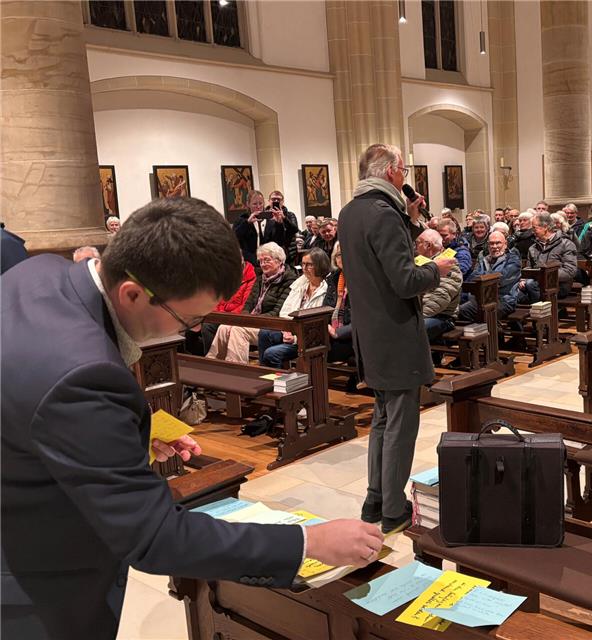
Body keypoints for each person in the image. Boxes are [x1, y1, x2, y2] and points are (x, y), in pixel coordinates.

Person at [0, 198, 383, 639]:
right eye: (189, 319)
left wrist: (116, 442)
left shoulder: (39, 273)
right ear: (132, 293)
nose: (183, 334)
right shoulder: (84, 375)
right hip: (34, 581)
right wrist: (308, 543)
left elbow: (31, 406)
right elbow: (155, 537)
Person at [337, 144, 457, 533]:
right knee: (401, 425)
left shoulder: (351, 211)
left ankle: (375, 501)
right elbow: (405, 280)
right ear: (390, 171)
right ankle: (393, 509)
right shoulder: (383, 214)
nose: (406, 177)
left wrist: (412, 217)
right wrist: (437, 268)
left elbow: (379, 264)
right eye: (404, 170)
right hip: (394, 334)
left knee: (382, 420)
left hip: (370, 333)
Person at [206, 242, 297, 363]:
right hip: (254, 321)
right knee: (224, 327)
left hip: (272, 326)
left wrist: (252, 321)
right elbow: (248, 304)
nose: (263, 264)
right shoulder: (261, 279)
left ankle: (236, 368)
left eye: (267, 260)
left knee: (238, 330)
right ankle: (213, 363)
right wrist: (245, 318)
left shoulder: (289, 280)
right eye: (261, 261)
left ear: (279, 260)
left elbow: (278, 312)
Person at [257, 248, 331, 368]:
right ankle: (264, 375)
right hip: (291, 330)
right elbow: (285, 311)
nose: (305, 268)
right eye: (303, 264)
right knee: (265, 332)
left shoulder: (326, 289)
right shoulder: (300, 284)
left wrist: (295, 338)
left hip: (308, 338)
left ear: (320, 265)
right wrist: (286, 330)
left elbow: (316, 325)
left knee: (271, 354)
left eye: (309, 265)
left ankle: (279, 382)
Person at [459, 230, 521, 321]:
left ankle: (494, 332)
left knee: (486, 313)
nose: (494, 247)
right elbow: (472, 277)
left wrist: (483, 277)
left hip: (503, 300)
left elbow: (501, 279)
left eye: (498, 243)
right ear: (488, 245)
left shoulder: (512, 260)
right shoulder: (484, 259)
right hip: (481, 299)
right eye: (491, 244)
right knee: (460, 311)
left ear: (505, 244)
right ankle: (484, 332)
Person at [517, 212, 578, 304]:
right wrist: (524, 279)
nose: (532, 231)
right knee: (514, 292)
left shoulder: (566, 244)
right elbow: (529, 269)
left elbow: (570, 271)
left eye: (534, 228)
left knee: (531, 285)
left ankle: (543, 313)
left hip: (558, 285)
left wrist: (545, 276)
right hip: (537, 284)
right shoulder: (533, 248)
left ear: (545, 227)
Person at [416, 229, 462, 342]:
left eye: (418, 242)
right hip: (421, 313)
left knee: (412, 330)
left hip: (441, 317)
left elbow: (438, 300)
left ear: (428, 245)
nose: (415, 246)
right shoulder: (420, 262)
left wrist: (415, 317)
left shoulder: (448, 265)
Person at [233, 190, 297, 267]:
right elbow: (233, 238)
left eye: (260, 203)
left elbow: (279, 241)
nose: (258, 207)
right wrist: (247, 223)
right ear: (248, 204)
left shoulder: (270, 220)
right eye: (254, 204)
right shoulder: (242, 220)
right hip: (250, 263)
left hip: (270, 262)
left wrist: (279, 223)